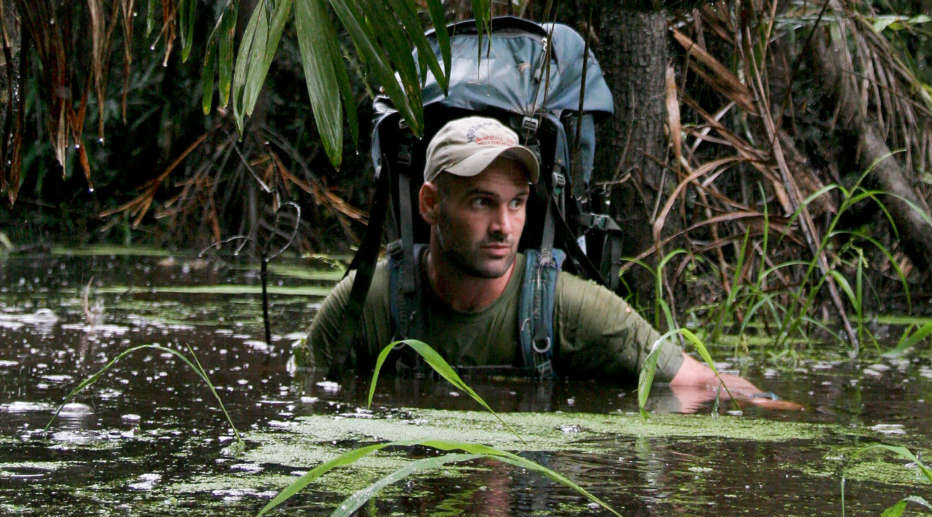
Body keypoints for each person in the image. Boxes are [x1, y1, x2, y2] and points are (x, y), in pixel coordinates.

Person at [305, 116, 800, 412]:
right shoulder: (366, 303)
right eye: (481, 202)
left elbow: (699, 381)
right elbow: (302, 392)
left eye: (516, 203)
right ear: (431, 204)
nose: (504, 226)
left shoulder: (563, 306)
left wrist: (784, 410)